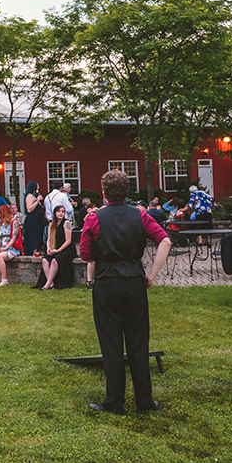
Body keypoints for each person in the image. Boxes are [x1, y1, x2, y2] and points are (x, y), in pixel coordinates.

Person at [80, 169, 172, 415]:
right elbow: (165, 241)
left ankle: (114, 401)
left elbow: (85, 255)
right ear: (127, 192)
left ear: (103, 193)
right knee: (138, 342)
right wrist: (151, 274)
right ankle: (144, 401)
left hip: (107, 283)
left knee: (111, 344)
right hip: (134, 282)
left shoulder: (93, 218)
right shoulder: (141, 216)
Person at [35, 204, 77, 290]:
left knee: (54, 260)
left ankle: (47, 285)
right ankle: (51, 283)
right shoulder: (51, 224)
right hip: (55, 247)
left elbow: (68, 241)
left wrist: (57, 251)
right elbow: (49, 240)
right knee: (45, 260)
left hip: (66, 249)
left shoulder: (67, 223)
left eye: (62, 212)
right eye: (59, 211)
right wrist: (49, 248)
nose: (61, 213)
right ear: (54, 213)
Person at [0, 204, 22, 287]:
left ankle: (4, 280)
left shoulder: (14, 222)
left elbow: (14, 238)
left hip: (12, 248)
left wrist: (6, 248)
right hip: (2, 247)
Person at [22, 181, 45, 256]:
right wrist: (37, 201)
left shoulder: (34, 196)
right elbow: (29, 209)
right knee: (33, 237)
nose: (38, 187)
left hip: (37, 220)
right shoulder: (30, 196)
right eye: (37, 186)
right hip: (32, 220)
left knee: (37, 236)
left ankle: (36, 251)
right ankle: (33, 253)